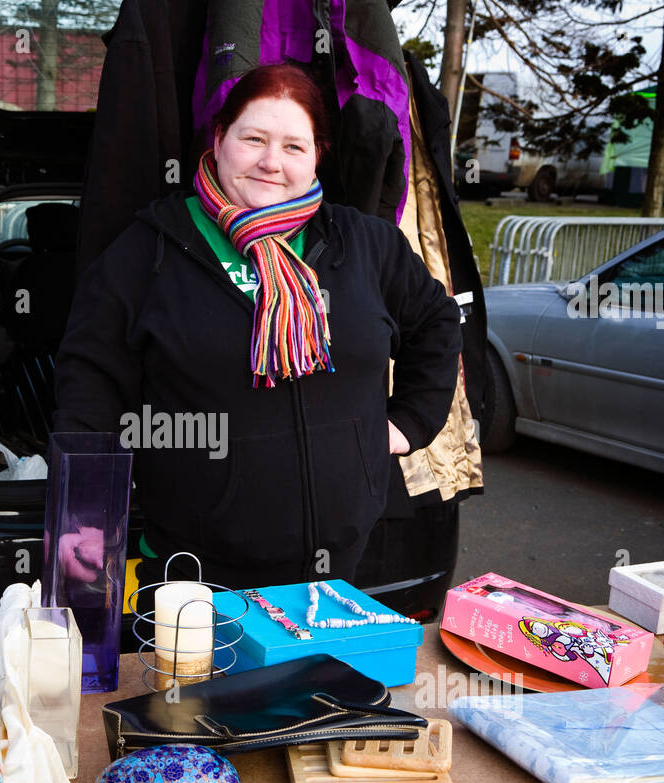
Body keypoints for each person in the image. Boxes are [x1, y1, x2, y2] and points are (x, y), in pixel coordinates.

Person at [53, 63, 462, 598]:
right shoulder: (146, 254)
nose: (272, 162)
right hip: (197, 585)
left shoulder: (365, 245)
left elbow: (437, 320)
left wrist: (405, 424)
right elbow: (90, 394)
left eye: (294, 146)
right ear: (220, 138)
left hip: (344, 569)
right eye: (254, 139)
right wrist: (86, 519)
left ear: (318, 155)